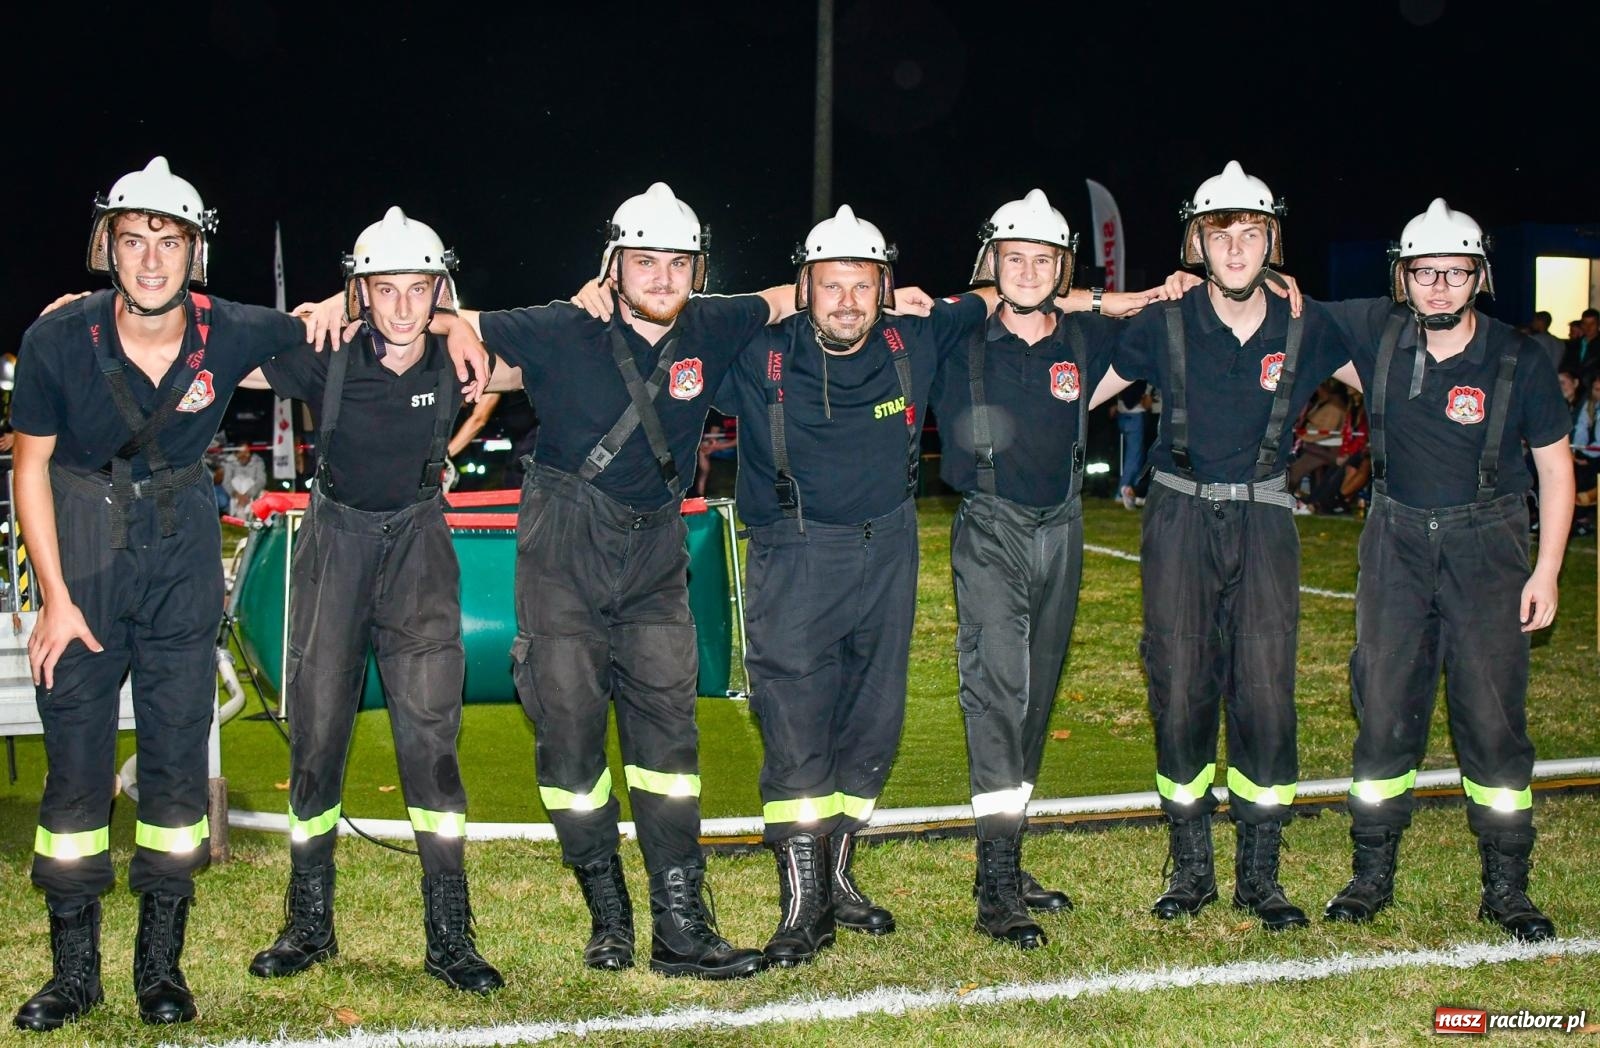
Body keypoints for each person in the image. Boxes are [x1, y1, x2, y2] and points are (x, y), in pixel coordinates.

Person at [436, 183, 799, 980]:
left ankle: (681, 924)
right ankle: (609, 912)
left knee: (668, 743)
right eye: (645, 261)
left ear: (697, 268)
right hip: (565, 550)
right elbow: (449, 325)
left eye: (677, 262)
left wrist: (870, 282)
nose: (663, 277)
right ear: (614, 265)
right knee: (568, 741)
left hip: (657, 556)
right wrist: (396, 311)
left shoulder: (712, 320)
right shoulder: (563, 327)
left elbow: (784, 295)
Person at [8, 157, 330, 1030]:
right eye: (134, 238)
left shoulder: (231, 329)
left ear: (197, 253)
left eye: (171, 242)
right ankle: (73, 975)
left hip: (184, 544)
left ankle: (162, 969)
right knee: (75, 772)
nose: (151, 260)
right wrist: (54, 598)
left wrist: (435, 319)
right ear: (106, 245)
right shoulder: (57, 338)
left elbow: (328, 330)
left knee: (179, 761)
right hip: (82, 540)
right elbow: (29, 465)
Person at [713, 205, 998, 967]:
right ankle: (802, 904)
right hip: (794, 554)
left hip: (890, 550)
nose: (846, 301)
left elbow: (1008, 293)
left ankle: (838, 877)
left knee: (872, 723)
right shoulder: (757, 350)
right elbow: (678, 315)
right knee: (797, 725)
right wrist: (772, 297)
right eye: (829, 285)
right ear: (804, 286)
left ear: (886, 287)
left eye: (862, 286)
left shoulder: (916, 338)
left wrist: (1118, 299)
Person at [240, 207, 502, 993]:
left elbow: (562, 337)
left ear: (438, 289)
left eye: (417, 289)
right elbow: (216, 346)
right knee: (316, 735)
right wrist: (311, 310)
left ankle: (449, 932)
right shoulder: (324, 353)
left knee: (432, 739)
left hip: (420, 545)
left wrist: (464, 323)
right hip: (335, 542)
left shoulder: (460, 356)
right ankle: (308, 921)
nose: (399, 306)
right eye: (381, 289)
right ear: (360, 291)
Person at [1096, 162, 1357, 932]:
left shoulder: (1312, 323)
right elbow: (1070, 386)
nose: (1236, 247)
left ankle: (1260, 874)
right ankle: (1191, 869)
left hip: (1267, 517)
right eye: (1221, 233)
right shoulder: (1161, 321)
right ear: (1196, 243)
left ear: (1272, 240)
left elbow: (1406, 373)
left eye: (1251, 232)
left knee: (1267, 693)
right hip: (1178, 517)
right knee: (1179, 688)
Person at [1316, 200, 1573, 941]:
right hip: (1394, 542)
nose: (1438, 286)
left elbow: (1556, 472)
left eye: (1454, 272)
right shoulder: (1376, 335)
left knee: (1493, 722)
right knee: (1386, 712)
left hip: (1487, 549)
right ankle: (1371, 874)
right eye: (1424, 272)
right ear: (1402, 276)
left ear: (1478, 276)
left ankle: (1506, 887)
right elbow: (1287, 310)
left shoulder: (1518, 359)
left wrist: (1547, 570)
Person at [931, 190, 1156, 948]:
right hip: (990, 525)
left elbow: (1161, 328)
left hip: (1063, 526)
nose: (1027, 271)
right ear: (993, 262)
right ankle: (996, 886)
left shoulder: (1087, 340)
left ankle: (1008, 854)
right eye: (1014, 257)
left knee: (1033, 699)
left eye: (1043, 258)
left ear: (1063, 266)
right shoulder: (957, 334)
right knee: (997, 693)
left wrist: (1172, 290)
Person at [220, 443, 266, 515]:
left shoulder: (258, 461)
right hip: (234, 492)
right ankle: (242, 512)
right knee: (237, 480)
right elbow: (226, 481)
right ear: (236, 453)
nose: (243, 455)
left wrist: (247, 495)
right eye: (241, 452)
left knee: (246, 482)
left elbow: (261, 481)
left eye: (246, 452)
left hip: (251, 491)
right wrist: (237, 495)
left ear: (250, 453)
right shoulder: (229, 461)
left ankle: (240, 510)